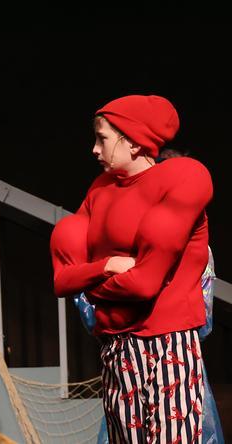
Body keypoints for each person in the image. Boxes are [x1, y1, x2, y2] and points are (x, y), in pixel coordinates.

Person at [50, 95, 213, 443]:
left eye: (102, 138)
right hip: (116, 346)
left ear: (135, 142)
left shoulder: (182, 178)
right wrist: (107, 265)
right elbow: (63, 280)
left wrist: (93, 287)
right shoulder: (100, 191)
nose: (94, 149)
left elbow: (143, 284)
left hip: (167, 341)